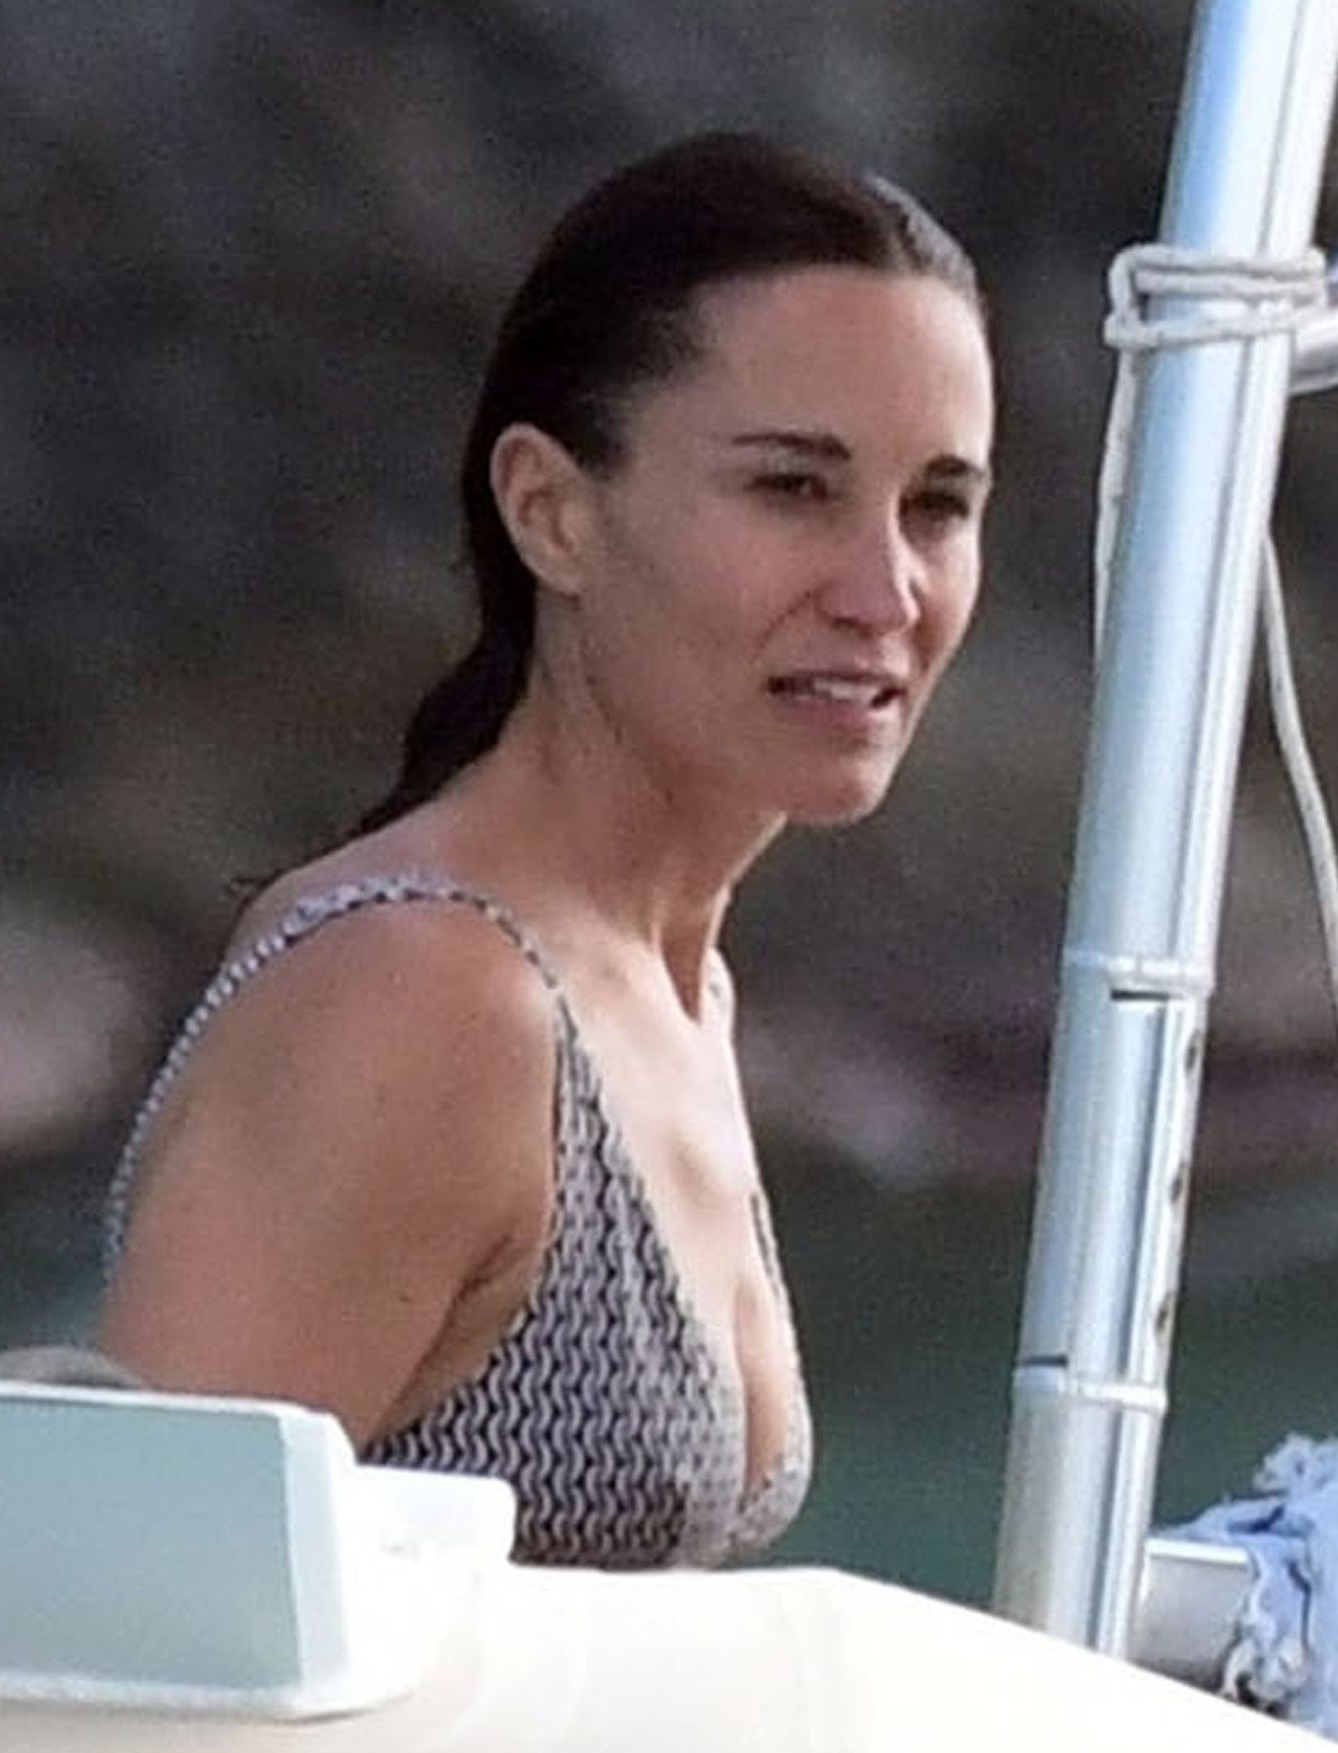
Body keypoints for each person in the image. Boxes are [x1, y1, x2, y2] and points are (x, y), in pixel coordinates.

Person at [97, 131, 994, 1570]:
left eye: (937, 506)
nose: (884, 591)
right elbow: (121, 1611)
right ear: (551, 513)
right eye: (792, 489)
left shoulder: (671, 985)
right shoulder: (422, 994)